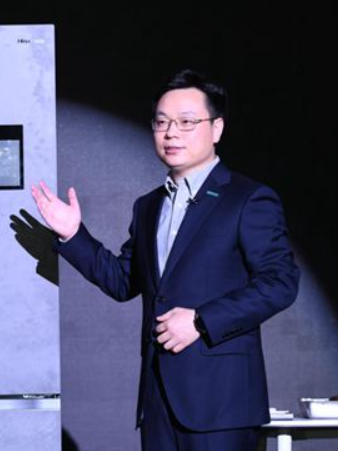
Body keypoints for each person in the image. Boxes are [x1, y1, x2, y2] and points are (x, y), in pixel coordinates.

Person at [31, 69, 300, 451]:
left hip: (221, 405)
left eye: (187, 122)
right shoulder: (148, 206)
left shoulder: (248, 199)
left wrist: (201, 320)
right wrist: (73, 234)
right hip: (157, 404)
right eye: (162, 122)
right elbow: (123, 281)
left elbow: (280, 283)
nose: (171, 133)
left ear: (217, 128)